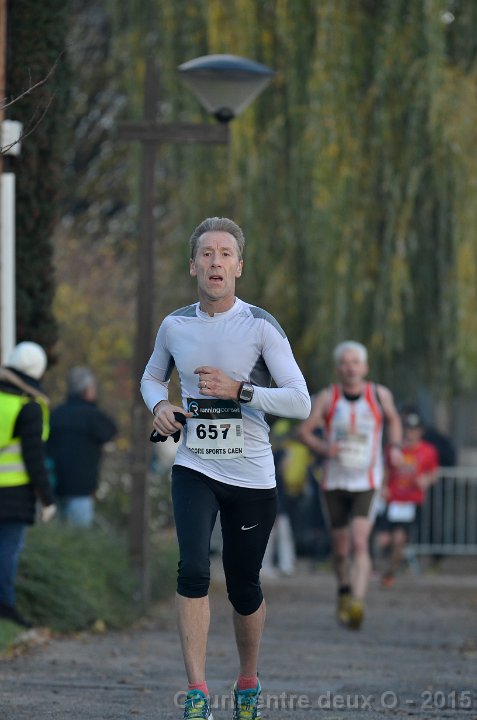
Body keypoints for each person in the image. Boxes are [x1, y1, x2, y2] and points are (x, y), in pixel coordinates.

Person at [141, 217, 311, 720]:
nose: (216, 261)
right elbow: (152, 377)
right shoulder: (175, 325)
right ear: (193, 266)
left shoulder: (259, 326)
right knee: (193, 568)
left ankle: (247, 681)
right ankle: (196, 692)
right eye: (207, 253)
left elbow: (300, 401)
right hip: (195, 467)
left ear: (239, 267)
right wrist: (160, 406)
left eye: (225, 253)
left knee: (243, 586)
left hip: (252, 477)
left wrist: (240, 391)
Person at [296, 341, 402, 630]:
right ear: (338, 368)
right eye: (345, 362)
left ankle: (357, 601)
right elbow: (304, 431)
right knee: (341, 548)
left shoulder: (379, 395)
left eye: (355, 362)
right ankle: (344, 589)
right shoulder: (328, 397)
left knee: (359, 541)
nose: (350, 367)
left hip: (367, 480)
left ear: (364, 367)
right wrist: (323, 447)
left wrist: (394, 447)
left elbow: (394, 420)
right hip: (335, 481)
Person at [0, 341, 56, 627]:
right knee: (7, 552)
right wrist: (47, 499)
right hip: (13, 493)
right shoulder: (29, 406)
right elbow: (34, 458)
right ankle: (6, 608)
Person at [47, 367, 117, 527]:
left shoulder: (56, 414)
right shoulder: (92, 416)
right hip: (82, 489)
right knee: (79, 537)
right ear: (87, 390)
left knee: (57, 536)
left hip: (55, 487)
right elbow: (111, 430)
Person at [378, 411, 439, 587]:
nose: (411, 432)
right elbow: (386, 470)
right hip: (392, 500)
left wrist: (426, 480)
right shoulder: (394, 449)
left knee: (399, 539)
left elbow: (434, 474)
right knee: (382, 540)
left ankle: (390, 572)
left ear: (421, 431)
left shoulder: (429, 451)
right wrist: (383, 487)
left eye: (415, 429)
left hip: (411, 502)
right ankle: (387, 566)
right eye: (408, 428)